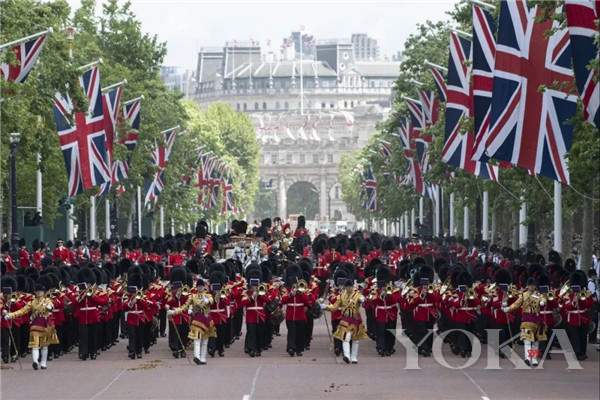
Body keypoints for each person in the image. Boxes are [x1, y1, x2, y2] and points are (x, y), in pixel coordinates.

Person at [3, 275, 58, 370]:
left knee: (44, 346)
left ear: (43, 292)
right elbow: (22, 311)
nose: (39, 293)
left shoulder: (48, 300)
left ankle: (43, 363)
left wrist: (49, 308)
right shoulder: (32, 302)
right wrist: (10, 315)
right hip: (36, 324)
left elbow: (51, 306)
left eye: (40, 291)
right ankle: (35, 361)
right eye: (37, 291)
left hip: (45, 324)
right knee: (35, 345)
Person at [168, 279, 215, 365]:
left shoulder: (208, 296)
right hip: (197, 320)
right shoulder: (192, 296)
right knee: (197, 339)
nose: (200, 288)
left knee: (204, 341)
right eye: (198, 286)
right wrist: (174, 312)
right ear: (197, 287)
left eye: (201, 286)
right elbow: (184, 307)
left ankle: (203, 358)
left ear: (204, 287)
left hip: (206, 319)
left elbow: (211, 301)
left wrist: (206, 300)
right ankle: (196, 357)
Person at [322, 278, 367, 364]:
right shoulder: (341, 296)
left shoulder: (358, 295)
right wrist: (325, 307)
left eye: (350, 287)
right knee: (346, 338)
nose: (349, 289)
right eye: (347, 287)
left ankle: (354, 357)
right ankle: (347, 356)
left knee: (355, 339)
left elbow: (364, 302)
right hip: (346, 318)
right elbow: (334, 307)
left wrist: (363, 300)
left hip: (355, 318)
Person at [504, 277, 544, 366]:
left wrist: (542, 302)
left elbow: (543, 300)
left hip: (536, 320)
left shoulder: (538, 295)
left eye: (533, 285)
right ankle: (527, 358)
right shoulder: (523, 295)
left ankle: (534, 359)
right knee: (527, 340)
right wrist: (508, 308)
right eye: (530, 285)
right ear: (528, 286)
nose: (531, 287)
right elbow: (516, 304)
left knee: (535, 341)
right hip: (526, 319)